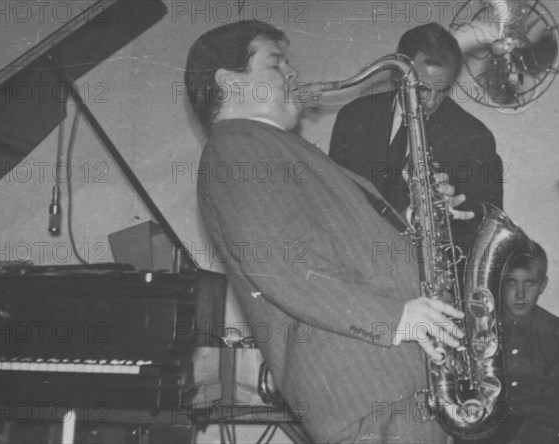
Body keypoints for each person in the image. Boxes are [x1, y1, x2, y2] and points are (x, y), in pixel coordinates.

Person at [185, 20, 472, 443]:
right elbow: (281, 266)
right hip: (369, 385)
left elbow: (337, 245)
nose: (292, 75)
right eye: (276, 63)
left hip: (392, 381)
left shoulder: (275, 148)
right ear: (229, 81)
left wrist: (417, 218)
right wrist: (395, 318)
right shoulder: (238, 148)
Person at [329, 22, 503, 257]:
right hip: (356, 257)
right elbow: (334, 197)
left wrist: (442, 214)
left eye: (443, 89)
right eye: (420, 88)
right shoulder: (353, 116)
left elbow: (484, 227)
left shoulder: (474, 138)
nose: (430, 102)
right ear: (396, 74)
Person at [457, 242, 559, 444]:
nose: (520, 294)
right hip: (481, 432)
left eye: (529, 283)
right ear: (500, 283)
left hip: (535, 435)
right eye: (511, 282)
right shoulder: (477, 325)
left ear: (542, 285)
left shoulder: (557, 331)